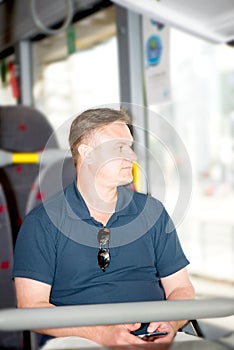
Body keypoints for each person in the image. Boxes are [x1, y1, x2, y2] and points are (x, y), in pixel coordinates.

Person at [13, 108, 195, 349]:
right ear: (87, 154)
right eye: (120, 148)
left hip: (155, 336)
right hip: (78, 340)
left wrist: (170, 324)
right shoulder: (41, 223)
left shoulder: (152, 212)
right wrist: (100, 334)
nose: (132, 156)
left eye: (130, 147)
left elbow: (181, 288)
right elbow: (31, 307)